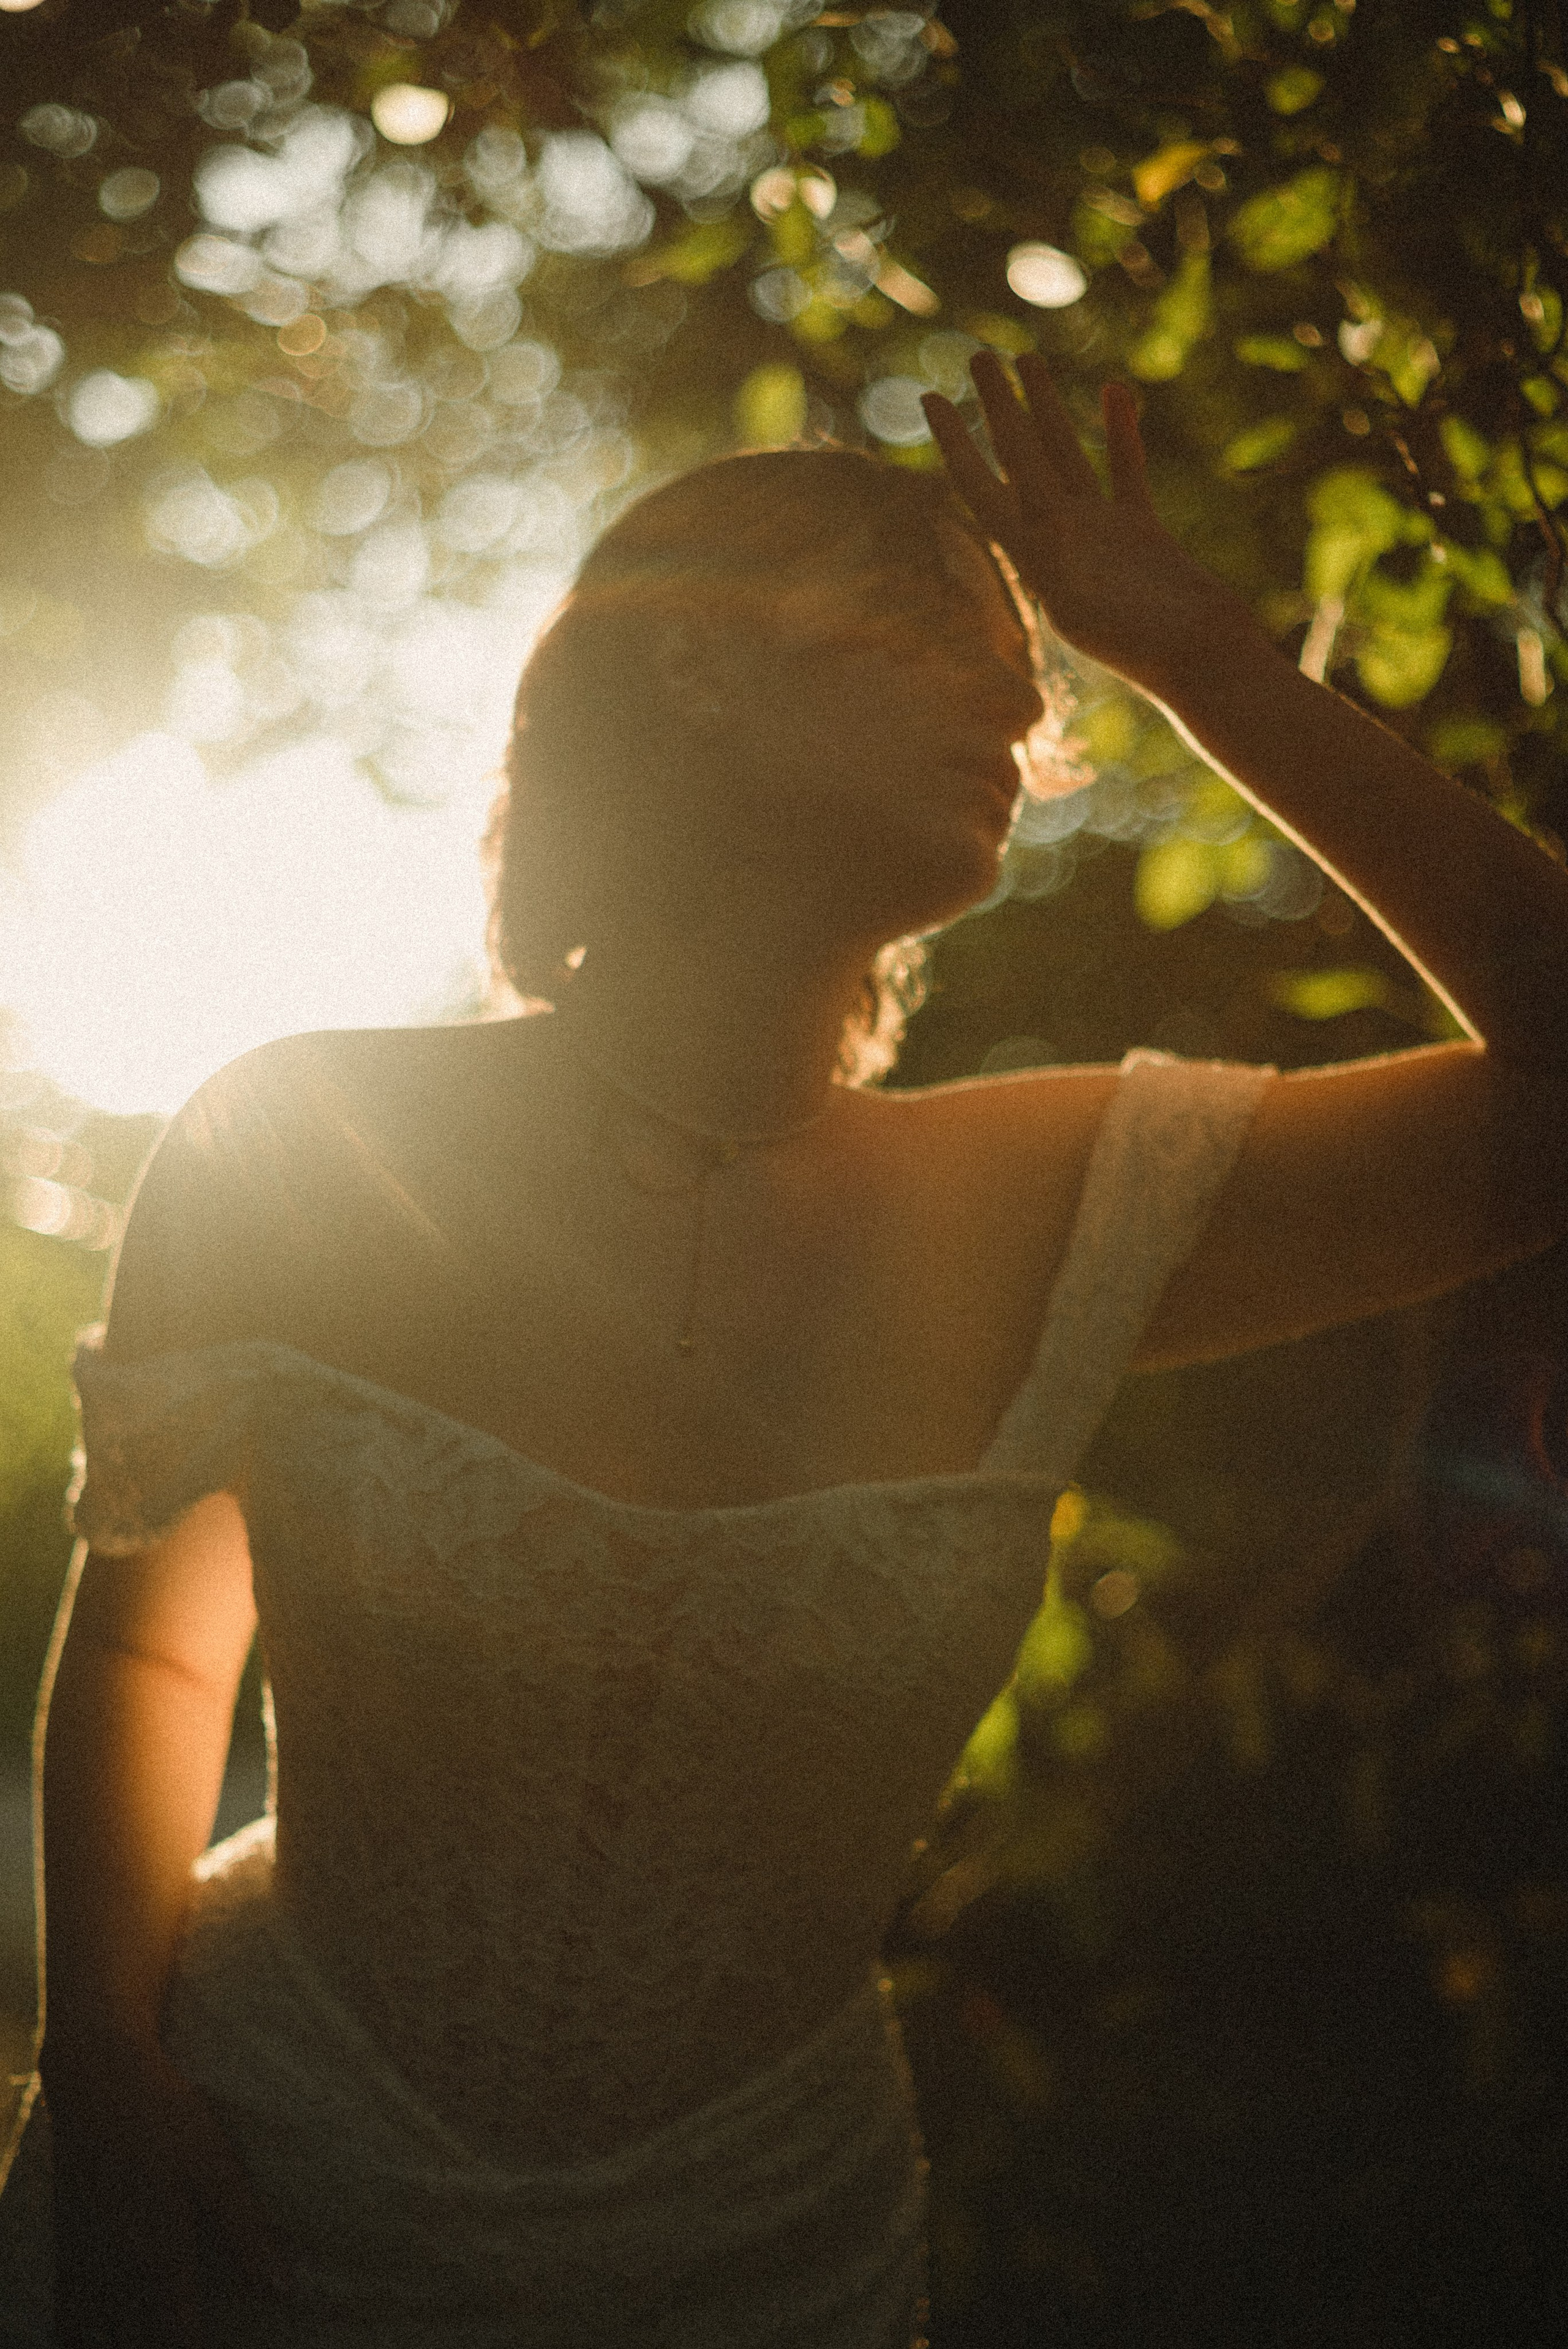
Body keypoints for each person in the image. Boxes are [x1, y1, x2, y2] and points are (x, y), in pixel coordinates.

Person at [6, 353, 1567, 2347]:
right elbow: (151, 1637)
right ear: (696, 668)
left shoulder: (1076, 1196)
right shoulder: (288, 1141)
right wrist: (114, 2086)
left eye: (1039, 677)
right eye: (941, 632)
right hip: (250, 2190)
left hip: (762, 2259)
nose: (1021, 699)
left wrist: (1212, 669)